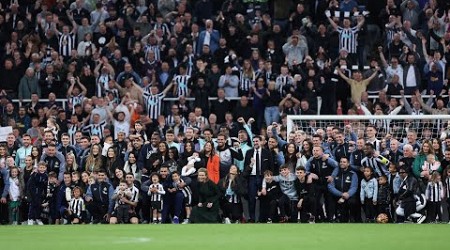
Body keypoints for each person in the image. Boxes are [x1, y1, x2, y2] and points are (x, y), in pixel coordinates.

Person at [243, 135, 273, 222]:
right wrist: (250, 165)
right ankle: (252, 218)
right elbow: (245, 168)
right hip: (252, 178)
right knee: (251, 198)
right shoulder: (249, 153)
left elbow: (271, 168)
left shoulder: (267, 153)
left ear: (261, 142)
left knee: (264, 198)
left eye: (257, 141)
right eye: (254, 141)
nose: (255, 143)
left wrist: (268, 179)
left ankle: (262, 219)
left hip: (263, 177)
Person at [328, 156, 358, 223]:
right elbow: (330, 186)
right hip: (338, 195)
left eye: (344, 162)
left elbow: (354, 187)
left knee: (352, 201)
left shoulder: (353, 174)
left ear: (348, 164)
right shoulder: (334, 173)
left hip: (348, 196)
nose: (342, 163)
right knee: (330, 198)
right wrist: (341, 194)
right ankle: (332, 219)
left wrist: (347, 194)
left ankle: (352, 217)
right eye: (341, 162)